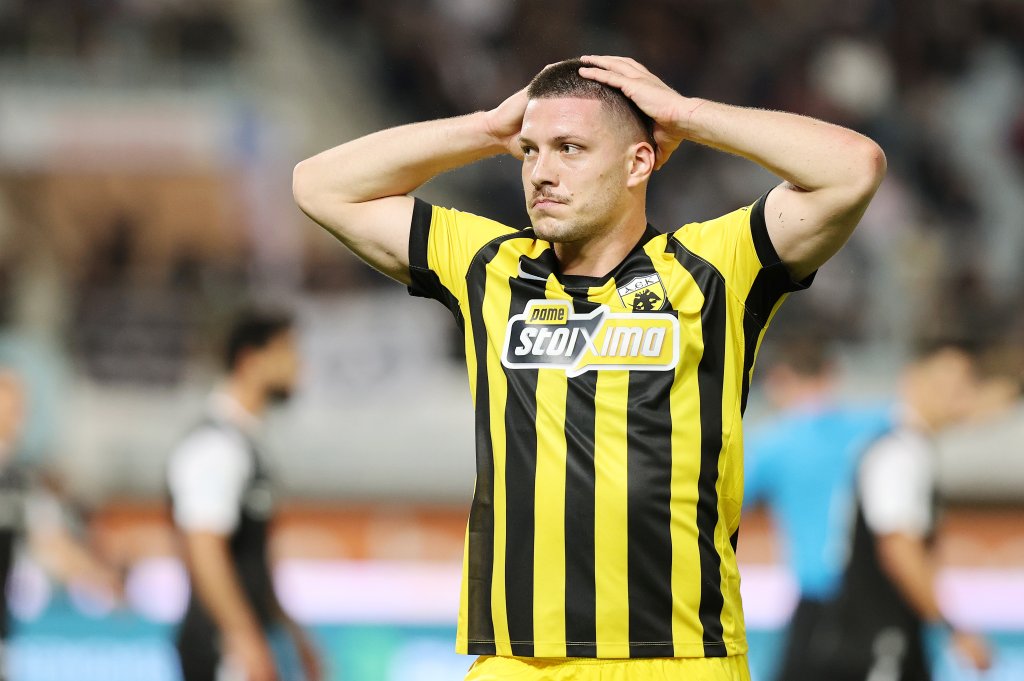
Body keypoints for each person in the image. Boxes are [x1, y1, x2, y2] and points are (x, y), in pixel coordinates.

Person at [293, 55, 885, 680]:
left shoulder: (714, 268)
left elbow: (854, 168)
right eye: (530, 151)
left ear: (638, 163)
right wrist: (488, 128)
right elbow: (318, 185)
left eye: (570, 148)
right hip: (519, 661)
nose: (541, 173)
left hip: (678, 657)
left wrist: (686, 114)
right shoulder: (488, 267)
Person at [809, 340, 993, 681]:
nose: (956, 396)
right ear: (912, 381)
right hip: (876, 640)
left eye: (964, 385)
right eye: (945, 385)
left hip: (877, 636)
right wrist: (954, 628)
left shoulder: (904, 447)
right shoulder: (901, 454)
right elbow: (898, 549)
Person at [167, 310, 321, 681]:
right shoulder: (214, 447)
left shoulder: (247, 444)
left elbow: (252, 559)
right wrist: (243, 637)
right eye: (286, 351)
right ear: (250, 360)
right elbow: (204, 548)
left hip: (244, 642)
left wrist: (291, 633)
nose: (298, 365)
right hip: (222, 649)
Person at [743, 337, 891, 681]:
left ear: (778, 379)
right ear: (831, 372)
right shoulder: (876, 425)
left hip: (820, 596)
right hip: (879, 595)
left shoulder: (774, 442)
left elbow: (722, 507)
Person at [0, 369, 123, 681]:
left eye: (20, 408)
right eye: (12, 407)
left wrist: (100, 578)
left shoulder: (20, 479)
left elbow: (51, 543)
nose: (19, 418)